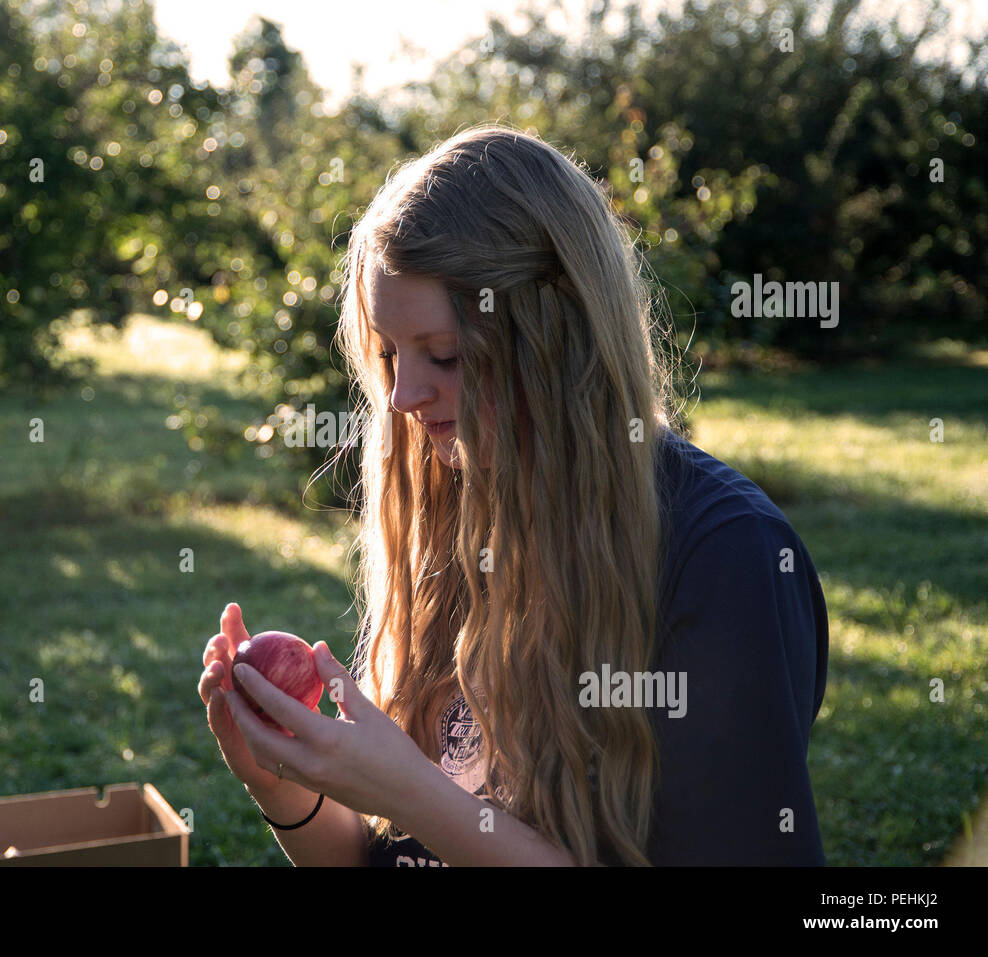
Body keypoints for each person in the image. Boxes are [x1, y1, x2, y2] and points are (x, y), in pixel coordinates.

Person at [197, 124, 829, 866]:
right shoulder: (461, 510)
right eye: (390, 353)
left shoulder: (723, 554)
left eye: (445, 355)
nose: (401, 394)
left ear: (557, 340)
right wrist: (286, 787)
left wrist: (409, 791)